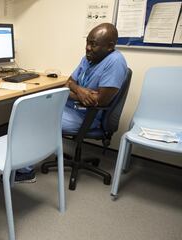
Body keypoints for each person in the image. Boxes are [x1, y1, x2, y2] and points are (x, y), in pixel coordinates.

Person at [16, 23, 128, 183]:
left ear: (110, 46)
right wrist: (81, 91)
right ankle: (25, 160)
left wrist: (72, 91)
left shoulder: (115, 62)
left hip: (88, 116)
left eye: (93, 44)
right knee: (29, 110)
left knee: (38, 120)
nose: (88, 48)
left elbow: (98, 101)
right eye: (87, 42)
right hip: (72, 108)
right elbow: (68, 83)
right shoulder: (89, 59)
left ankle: (25, 171)